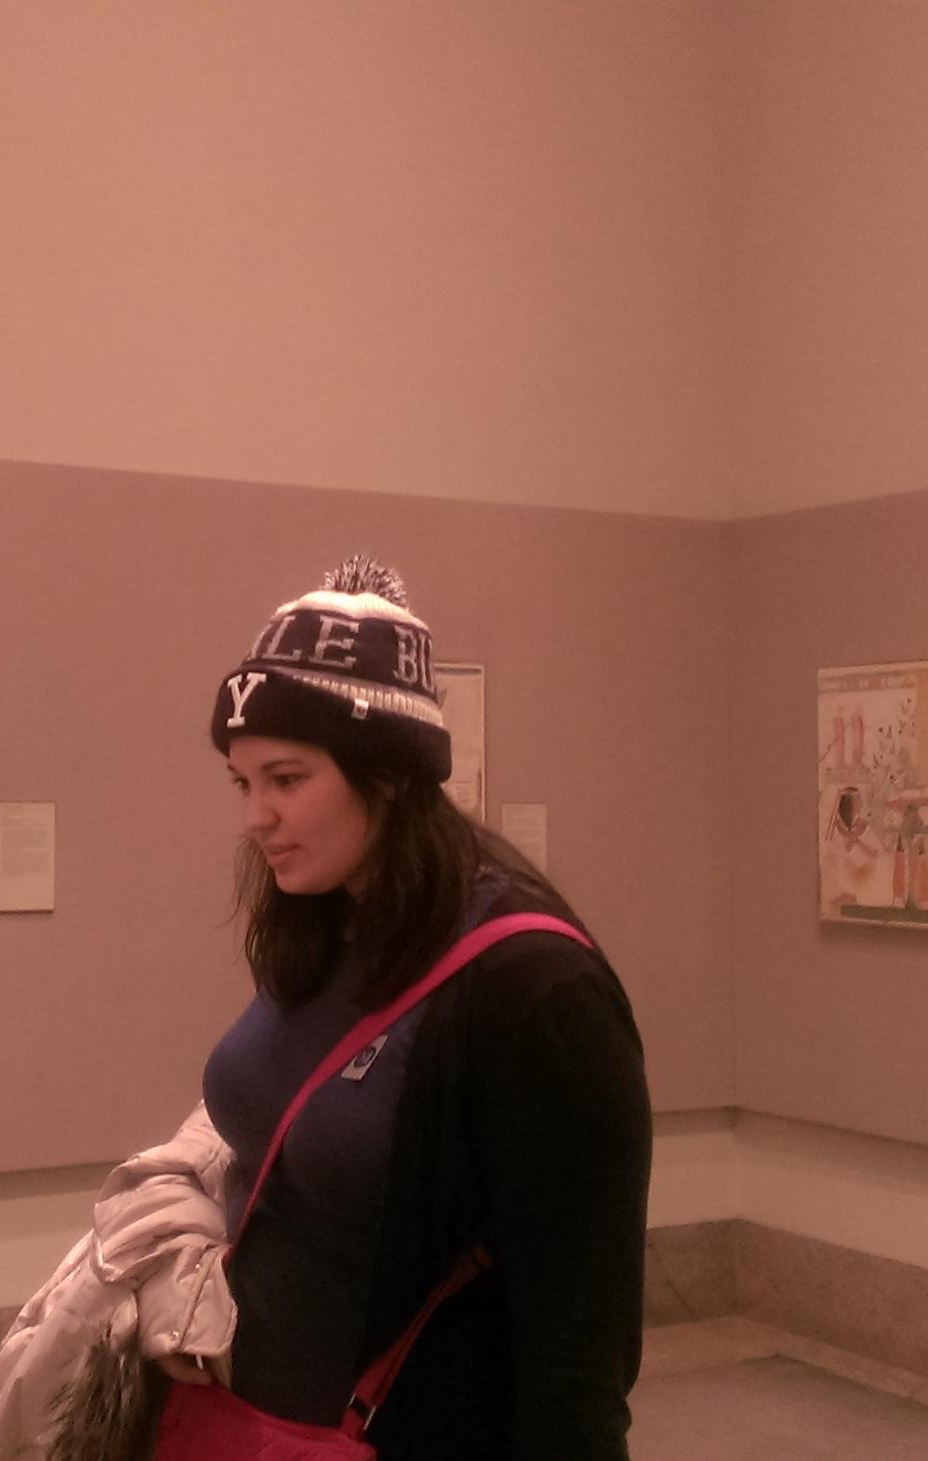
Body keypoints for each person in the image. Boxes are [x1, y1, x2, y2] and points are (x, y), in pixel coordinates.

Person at [182, 556, 652, 1460]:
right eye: (243, 783)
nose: (255, 816)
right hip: (257, 1428)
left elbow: (577, 1368)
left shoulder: (538, 992)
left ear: (390, 775)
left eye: (287, 779)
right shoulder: (327, 919)